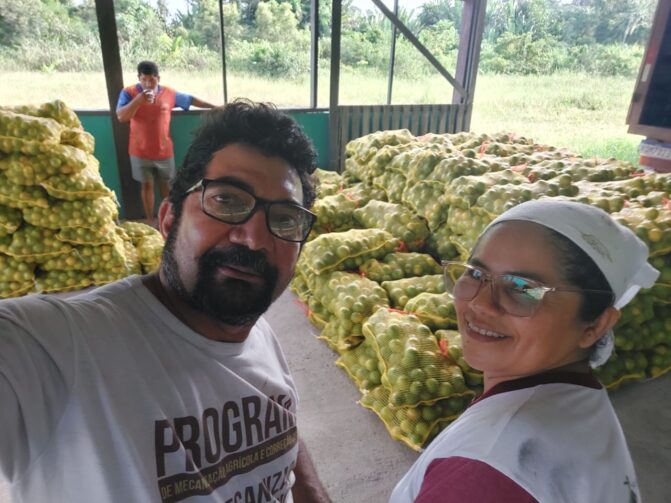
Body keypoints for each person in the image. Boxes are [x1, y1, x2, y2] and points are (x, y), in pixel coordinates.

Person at [0, 99, 332, 503]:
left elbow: (278, 424)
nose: (255, 238)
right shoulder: (58, 347)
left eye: (284, 219)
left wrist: (312, 491)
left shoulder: (257, 333)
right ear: (169, 219)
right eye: (227, 200)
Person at [390, 199, 659, 503]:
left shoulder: (484, 474)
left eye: (523, 288)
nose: (480, 304)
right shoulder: (579, 401)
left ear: (595, 326)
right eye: (476, 274)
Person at [116, 60, 216, 226]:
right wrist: (139, 101)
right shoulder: (129, 93)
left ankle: (170, 219)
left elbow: (191, 100)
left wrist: (216, 107)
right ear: (139, 78)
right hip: (139, 151)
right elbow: (121, 117)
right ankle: (150, 221)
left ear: (158, 78)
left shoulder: (169, 93)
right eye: (144, 80)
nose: (148, 83)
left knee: (167, 186)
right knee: (146, 186)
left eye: (152, 80)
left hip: (164, 151)